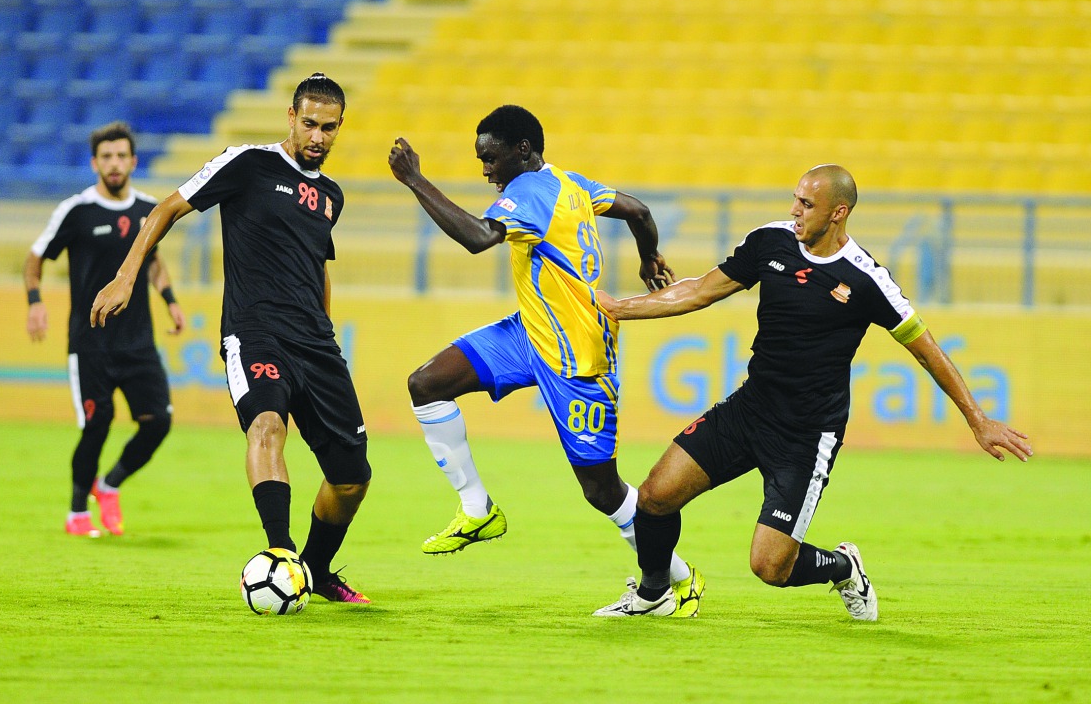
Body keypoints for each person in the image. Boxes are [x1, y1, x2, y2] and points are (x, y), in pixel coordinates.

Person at [592, 164, 1033, 619]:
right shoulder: (771, 241)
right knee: (654, 497)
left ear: (838, 212)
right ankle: (656, 594)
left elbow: (928, 352)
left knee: (769, 566)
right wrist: (621, 308)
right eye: (795, 199)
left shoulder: (866, 279)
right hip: (749, 409)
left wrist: (978, 419)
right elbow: (701, 291)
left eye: (806, 204)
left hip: (806, 435)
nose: (794, 211)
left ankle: (844, 566)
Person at [388, 104, 705, 616]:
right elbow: (639, 211)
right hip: (529, 334)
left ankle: (676, 579)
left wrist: (415, 180)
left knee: (601, 490)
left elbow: (478, 239)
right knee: (427, 383)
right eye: (479, 160)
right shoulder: (568, 182)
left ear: (522, 150)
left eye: (490, 159)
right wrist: (650, 256)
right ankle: (477, 509)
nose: (485, 170)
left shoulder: (530, 192)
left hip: (577, 355)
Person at [89, 73, 371, 604]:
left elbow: (319, 264)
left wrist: (327, 331)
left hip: (316, 343)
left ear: (339, 128)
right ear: (291, 117)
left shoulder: (330, 195)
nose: (317, 136)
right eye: (309, 123)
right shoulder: (248, 163)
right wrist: (128, 275)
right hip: (255, 331)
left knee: (352, 476)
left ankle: (315, 568)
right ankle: (281, 554)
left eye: (328, 128)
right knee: (266, 426)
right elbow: (166, 207)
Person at [25, 121, 184, 538]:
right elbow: (36, 257)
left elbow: (152, 261)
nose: (114, 164)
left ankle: (108, 485)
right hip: (90, 343)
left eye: (121, 156)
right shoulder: (76, 211)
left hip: (138, 344)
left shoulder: (149, 209)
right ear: (95, 163)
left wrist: (170, 301)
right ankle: (77, 513)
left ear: (133, 161)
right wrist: (35, 302)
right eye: (106, 157)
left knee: (158, 422)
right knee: (98, 423)